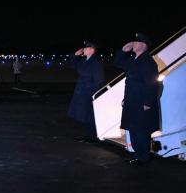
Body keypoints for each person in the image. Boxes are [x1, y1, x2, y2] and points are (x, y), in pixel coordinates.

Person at [114, 33, 160, 165]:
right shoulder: (134, 60)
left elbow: (152, 83)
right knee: (133, 129)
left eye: (135, 42)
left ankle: (143, 157)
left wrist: (148, 103)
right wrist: (123, 51)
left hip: (141, 102)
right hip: (132, 101)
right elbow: (118, 63)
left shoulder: (148, 62)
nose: (133, 44)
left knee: (141, 131)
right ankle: (138, 155)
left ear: (143, 45)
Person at [68, 40, 105, 143]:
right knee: (84, 115)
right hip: (82, 92)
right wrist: (75, 55)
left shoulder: (96, 62)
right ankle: (87, 135)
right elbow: (72, 65)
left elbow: (99, 80)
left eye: (86, 48)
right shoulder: (84, 61)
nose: (83, 49)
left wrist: (93, 94)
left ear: (92, 50)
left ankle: (91, 137)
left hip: (90, 93)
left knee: (90, 116)